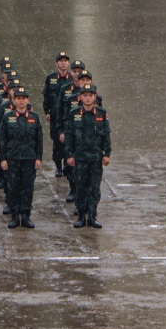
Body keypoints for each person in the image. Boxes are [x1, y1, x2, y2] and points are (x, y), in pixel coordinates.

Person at [65, 79, 111, 229]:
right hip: (79, 157)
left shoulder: (102, 113)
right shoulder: (74, 113)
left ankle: (92, 216)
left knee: (94, 188)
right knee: (80, 187)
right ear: (80, 97)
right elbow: (69, 136)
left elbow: (106, 135)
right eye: (85, 95)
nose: (88, 98)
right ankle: (81, 216)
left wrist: (107, 153)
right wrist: (69, 155)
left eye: (90, 95)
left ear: (95, 96)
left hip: (96, 157)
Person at [0, 86, 43, 228]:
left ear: (28, 100)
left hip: (29, 158)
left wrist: (38, 157)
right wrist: (3, 158)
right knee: (13, 187)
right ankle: (15, 216)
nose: (21, 101)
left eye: (24, 98)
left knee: (28, 187)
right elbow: (2, 139)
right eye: (18, 98)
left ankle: (26, 215)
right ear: (14, 100)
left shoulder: (34, 118)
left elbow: (39, 139)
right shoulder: (7, 117)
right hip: (13, 158)